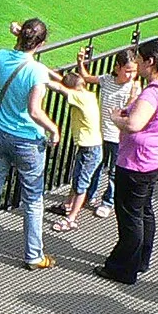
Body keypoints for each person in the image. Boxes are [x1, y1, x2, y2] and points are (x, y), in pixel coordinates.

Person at [0, 18, 63, 269]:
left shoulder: (1, 56)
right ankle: (33, 256)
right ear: (41, 43)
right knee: (33, 199)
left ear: (20, 36)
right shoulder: (37, 71)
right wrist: (54, 128)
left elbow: (16, 49)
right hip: (27, 141)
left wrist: (18, 34)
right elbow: (34, 111)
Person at [97, 40, 158, 285]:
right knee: (144, 210)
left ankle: (123, 267)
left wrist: (115, 119)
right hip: (155, 159)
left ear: (150, 62)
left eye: (140, 60)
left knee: (130, 215)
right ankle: (142, 259)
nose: (138, 65)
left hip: (137, 162)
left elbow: (134, 124)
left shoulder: (153, 92)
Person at [46, 66, 103, 232]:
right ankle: (67, 206)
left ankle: (71, 219)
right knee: (77, 178)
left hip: (90, 150)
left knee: (80, 185)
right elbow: (61, 81)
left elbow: (58, 87)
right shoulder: (87, 94)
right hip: (90, 147)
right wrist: (45, 69)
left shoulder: (79, 98)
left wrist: (37, 76)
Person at [90, 50, 140, 218]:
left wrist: (133, 96)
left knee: (113, 171)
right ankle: (90, 194)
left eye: (134, 70)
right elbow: (88, 78)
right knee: (96, 165)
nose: (131, 75)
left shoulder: (132, 87)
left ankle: (108, 201)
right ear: (117, 67)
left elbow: (129, 111)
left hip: (117, 137)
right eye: (128, 70)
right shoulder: (107, 80)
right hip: (100, 133)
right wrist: (81, 63)